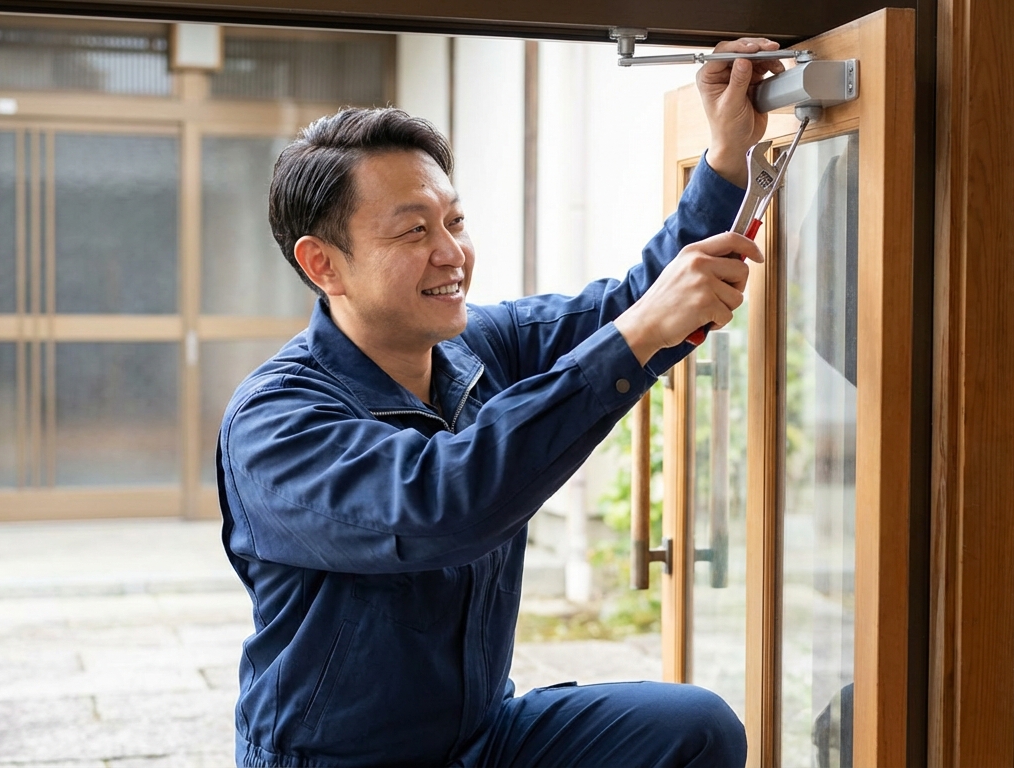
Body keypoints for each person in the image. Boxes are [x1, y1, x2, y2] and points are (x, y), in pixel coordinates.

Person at [217, 37, 783, 768]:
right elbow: (441, 505)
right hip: (341, 760)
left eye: (453, 221)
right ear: (323, 264)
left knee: (694, 728)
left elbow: (639, 308)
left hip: (483, 738)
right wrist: (635, 332)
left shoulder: (483, 345)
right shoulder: (276, 422)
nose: (451, 252)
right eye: (413, 230)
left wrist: (728, 153)